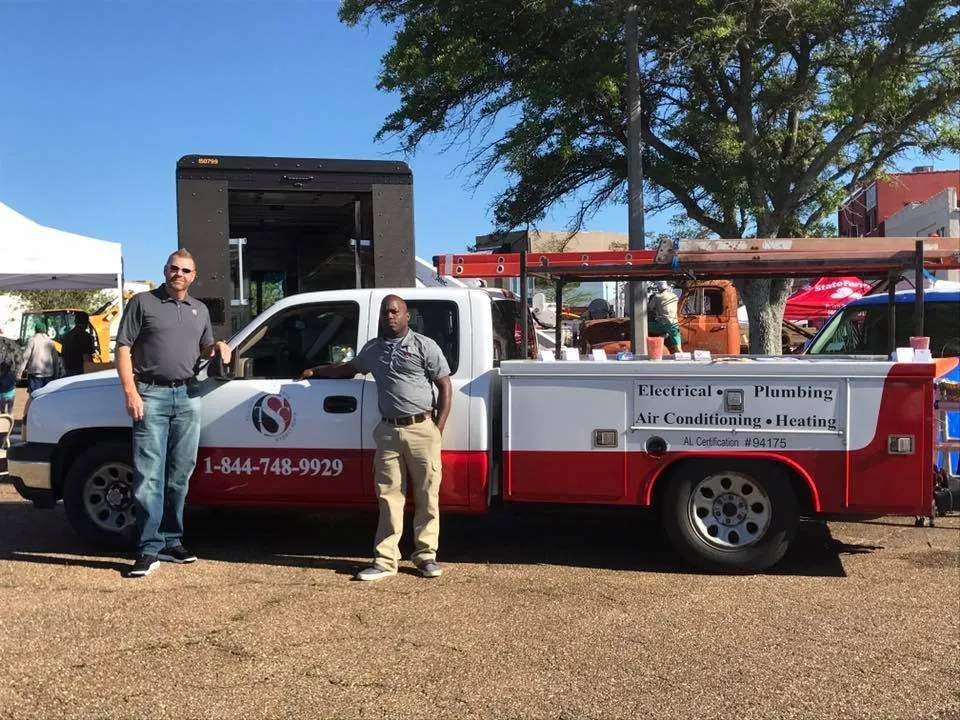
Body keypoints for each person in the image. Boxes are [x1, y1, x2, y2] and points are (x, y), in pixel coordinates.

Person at [298, 294, 452, 581]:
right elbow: (349, 369)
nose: (390, 316)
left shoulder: (424, 345)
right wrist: (317, 371)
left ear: (407, 316)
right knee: (389, 496)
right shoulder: (373, 350)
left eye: (395, 311)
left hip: (422, 429)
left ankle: (426, 556)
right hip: (388, 431)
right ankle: (385, 560)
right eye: (385, 312)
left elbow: (444, 385)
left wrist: (437, 428)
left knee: (427, 495)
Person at [115, 249, 231, 578]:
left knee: (179, 475)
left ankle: (171, 540)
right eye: (174, 268)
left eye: (186, 270)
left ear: (194, 276)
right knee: (149, 475)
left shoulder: (200, 310)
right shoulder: (142, 303)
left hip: (189, 394)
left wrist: (218, 347)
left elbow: (204, 348)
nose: (179, 274)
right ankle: (148, 548)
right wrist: (130, 392)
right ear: (165, 270)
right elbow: (122, 347)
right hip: (150, 393)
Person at [20, 323, 59, 393]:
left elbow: (25, 357)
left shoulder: (32, 340)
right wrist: (56, 374)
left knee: (34, 397)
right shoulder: (51, 342)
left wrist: (19, 372)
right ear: (45, 330)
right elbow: (55, 360)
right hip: (49, 375)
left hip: (35, 375)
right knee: (46, 397)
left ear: (35, 330)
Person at [648, 280, 683, 353]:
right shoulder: (674, 296)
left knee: (644, 328)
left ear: (658, 288)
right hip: (674, 324)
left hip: (662, 324)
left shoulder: (657, 297)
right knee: (678, 348)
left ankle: (655, 343)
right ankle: (665, 335)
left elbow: (650, 308)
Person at [59, 311, 96, 377]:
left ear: (75, 322)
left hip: (68, 371)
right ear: (87, 322)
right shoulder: (85, 336)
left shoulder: (66, 336)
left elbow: (63, 357)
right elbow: (86, 357)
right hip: (81, 371)